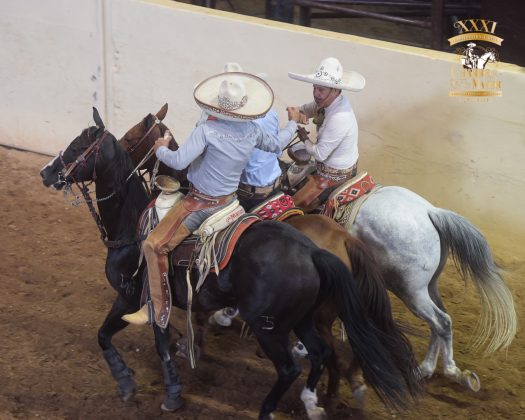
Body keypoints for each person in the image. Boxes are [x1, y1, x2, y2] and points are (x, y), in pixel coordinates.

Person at [123, 71, 301, 328]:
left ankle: (156, 308)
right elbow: (277, 145)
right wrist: (293, 124)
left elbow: (178, 161)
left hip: (200, 204)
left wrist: (160, 147)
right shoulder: (251, 129)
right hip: (231, 203)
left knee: (152, 244)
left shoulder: (207, 130)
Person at [286, 57, 365, 212]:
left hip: (333, 173)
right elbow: (305, 109)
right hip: (333, 162)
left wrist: (304, 137)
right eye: (314, 88)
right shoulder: (328, 102)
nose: (316, 94)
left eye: (321, 90)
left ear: (335, 90)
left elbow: (320, 154)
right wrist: (297, 112)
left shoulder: (339, 117)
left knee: (290, 209)